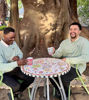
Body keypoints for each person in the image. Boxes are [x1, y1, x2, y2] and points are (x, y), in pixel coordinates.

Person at [49, 22, 89, 99]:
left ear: (79, 31)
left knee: (64, 77)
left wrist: (68, 60)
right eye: (71, 29)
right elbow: (58, 54)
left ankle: (66, 94)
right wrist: (53, 52)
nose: (72, 31)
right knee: (51, 75)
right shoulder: (65, 42)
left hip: (76, 67)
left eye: (75, 29)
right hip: (63, 65)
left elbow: (86, 57)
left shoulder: (84, 42)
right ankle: (61, 91)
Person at [0, 27, 34, 99]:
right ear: (4, 36)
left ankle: (18, 92)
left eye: (14, 37)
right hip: (3, 73)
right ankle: (15, 91)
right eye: (11, 38)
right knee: (16, 86)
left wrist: (18, 57)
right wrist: (17, 63)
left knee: (31, 78)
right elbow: (1, 67)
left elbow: (20, 53)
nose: (13, 40)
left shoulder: (13, 43)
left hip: (15, 69)